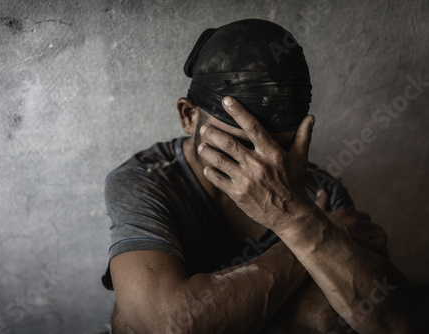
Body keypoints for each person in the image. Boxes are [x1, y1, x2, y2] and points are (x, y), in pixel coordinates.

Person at [101, 19, 413, 333]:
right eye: (238, 144)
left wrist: (294, 216)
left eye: (279, 145)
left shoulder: (322, 191)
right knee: (127, 322)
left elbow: (396, 324)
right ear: (188, 116)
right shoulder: (147, 181)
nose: (260, 166)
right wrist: (310, 234)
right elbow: (166, 325)